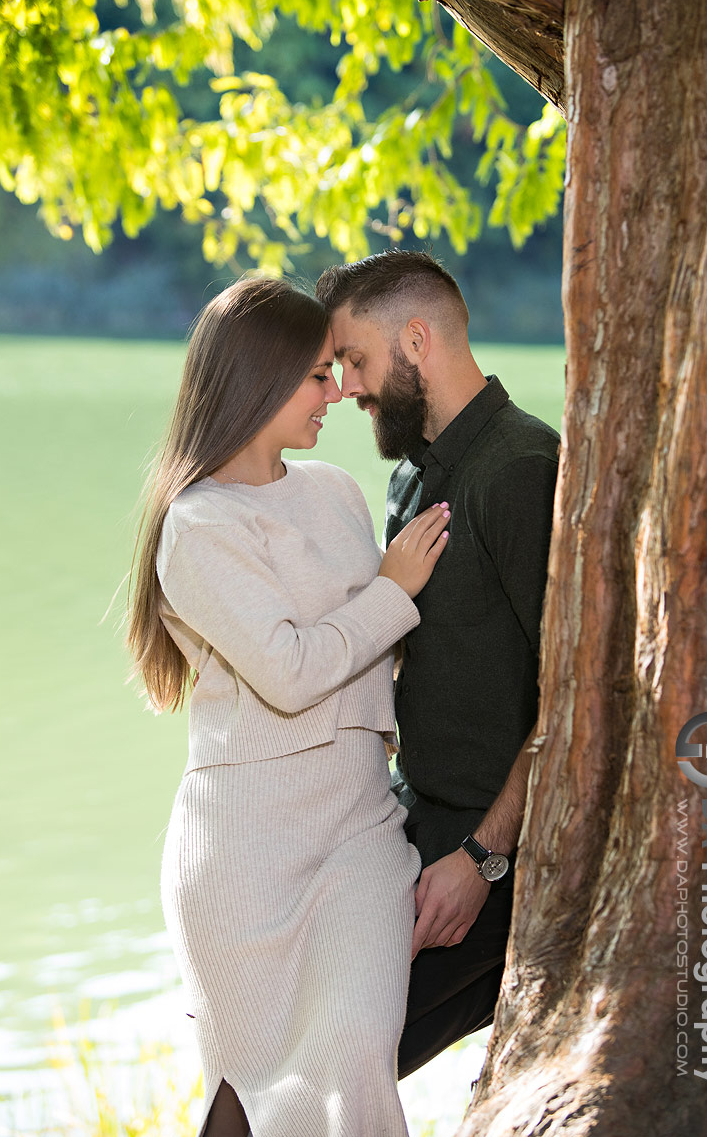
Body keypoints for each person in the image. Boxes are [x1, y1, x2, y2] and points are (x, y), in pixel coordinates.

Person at [125, 277, 452, 1137]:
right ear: (258, 380)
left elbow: (387, 650)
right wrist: (391, 590)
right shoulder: (197, 527)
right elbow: (290, 671)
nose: (339, 392)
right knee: (248, 1096)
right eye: (317, 375)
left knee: (353, 1057)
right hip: (242, 852)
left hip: (357, 829)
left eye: (338, 371)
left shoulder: (336, 491)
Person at [315, 250, 560, 1079]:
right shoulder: (405, 482)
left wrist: (486, 861)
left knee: (327, 1067)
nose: (344, 385)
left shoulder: (523, 469)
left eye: (355, 359)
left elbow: (575, 700)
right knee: (279, 1044)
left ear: (416, 340)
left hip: (482, 862)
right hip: (403, 833)